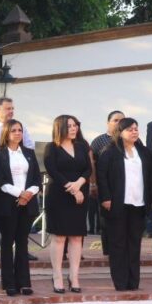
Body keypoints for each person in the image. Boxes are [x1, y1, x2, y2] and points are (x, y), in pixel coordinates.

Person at [99, 118, 152, 290]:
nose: (134, 132)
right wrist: (105, 198)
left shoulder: (144, 152)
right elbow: (102, 177)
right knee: (118, 244)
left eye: (136, 129)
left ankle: (133, 282)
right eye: (130, 129)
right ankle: (120, 281)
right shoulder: (109, 151)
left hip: (138, 203)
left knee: (134, 243)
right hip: (117, 204)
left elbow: (151, 178)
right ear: (120, 132)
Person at [0, 98, 35, 263]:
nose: (11, 111)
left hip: (21, 179)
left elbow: (29, 147)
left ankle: (21, 248)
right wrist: (10, 147)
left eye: (12, 108)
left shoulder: (20, 127)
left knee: (22, 218)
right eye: (8, 109)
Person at [0, 120, 41, 296]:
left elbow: (36, 179)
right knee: (7, 242)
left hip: (28, 203)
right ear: (6, 132)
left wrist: (28, 194)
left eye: (20, 130)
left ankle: (24, 282)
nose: (18, 133)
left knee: (22, 242)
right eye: (14, 130)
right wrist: (20, 193)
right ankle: (9, 283)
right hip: (7, 203)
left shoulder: (28, 153)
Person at [43, 115, 91, 293]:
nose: (74, 128)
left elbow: (88, 169)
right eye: (70, 126)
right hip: (59, 196)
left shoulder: (81, 146)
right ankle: (57, 276)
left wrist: (79, 183)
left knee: (77, 236)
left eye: (75, 125)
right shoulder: (51, 148)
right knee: (59, 236)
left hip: (79, 195)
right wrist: (73, 189)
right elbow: (53, 170)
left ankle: (74, 276)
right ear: (60, 128)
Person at [89, 110, 123, 254]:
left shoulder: (130, 139)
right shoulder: (99, 141)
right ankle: (108, 250)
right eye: (116, 120)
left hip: (125, 186)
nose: (119, 123)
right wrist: (93, 184)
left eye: (122, 120)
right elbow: (91, 164)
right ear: (108, 123)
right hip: (105, 185)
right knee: (106, 219)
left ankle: (122, 248)